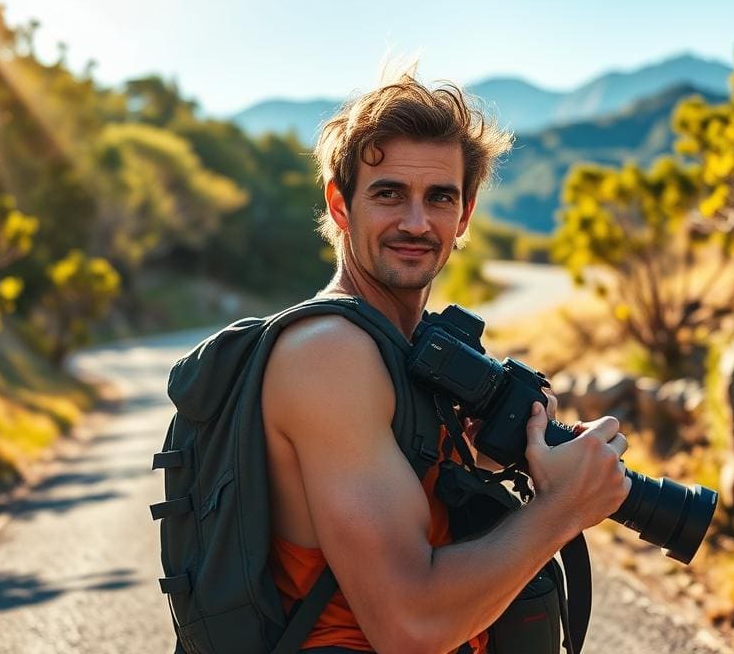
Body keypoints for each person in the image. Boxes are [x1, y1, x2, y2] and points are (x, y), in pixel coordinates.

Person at [261, 68, 631, 654]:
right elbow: (409, 626)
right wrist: (565, 507)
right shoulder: (331, 354)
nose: (416, 221)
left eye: (440, 197)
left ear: (464, 215)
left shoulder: (398, 352)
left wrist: (475, 462)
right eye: (388, 194)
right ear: (339, 204)